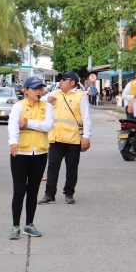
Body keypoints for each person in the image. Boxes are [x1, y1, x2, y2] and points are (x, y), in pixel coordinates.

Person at [7, 77, 55, 239]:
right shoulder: (18, 107)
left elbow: (48, 126)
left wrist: (28, 123)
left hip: (40, 152)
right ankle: (15, 226)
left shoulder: (47, 106)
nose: (38, 92)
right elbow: (13, 124)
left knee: (33, 190)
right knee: (19, 189)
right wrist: (13, 142)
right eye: (34, 89)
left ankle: (29, 224)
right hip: (20, 152)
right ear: (25, 90)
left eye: (40, 89)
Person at [38, 71, 92, 205]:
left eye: (64, 79)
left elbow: (86, 118)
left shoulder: (81, 97)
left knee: (72, 168)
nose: (60, 81)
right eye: (60, 79)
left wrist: (86, 137)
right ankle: (49, 194)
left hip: (73, 139)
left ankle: (69, 193)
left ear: (72, 82)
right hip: (55, 138)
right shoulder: (55, 94)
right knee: (52, 167)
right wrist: (46, 100)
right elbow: (39, 98)